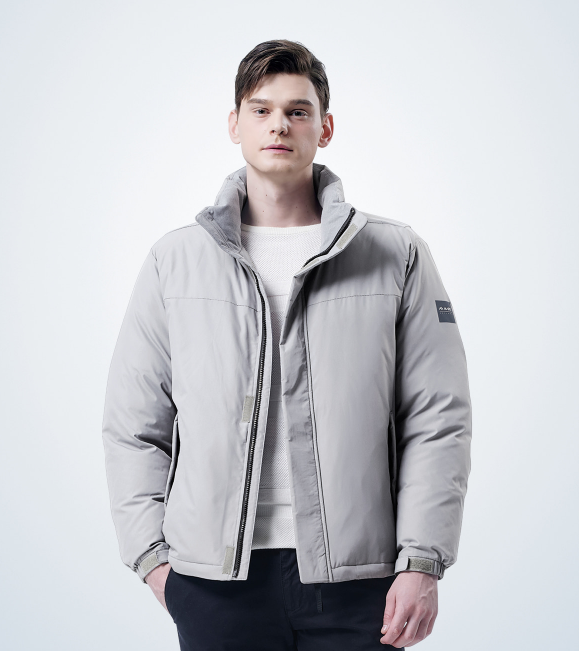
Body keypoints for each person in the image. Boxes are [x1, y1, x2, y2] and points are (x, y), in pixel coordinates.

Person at [102, 39, 472, 650]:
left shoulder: (395, 254)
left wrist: (421, 562)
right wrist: (153, 562)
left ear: (325, 128)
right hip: (214, 583)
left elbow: (437, 419)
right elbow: (133, 425)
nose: (279, 125)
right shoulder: (175, 261)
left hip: (360, 582)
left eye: (298, 111)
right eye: (261, 109)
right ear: (235, 124)